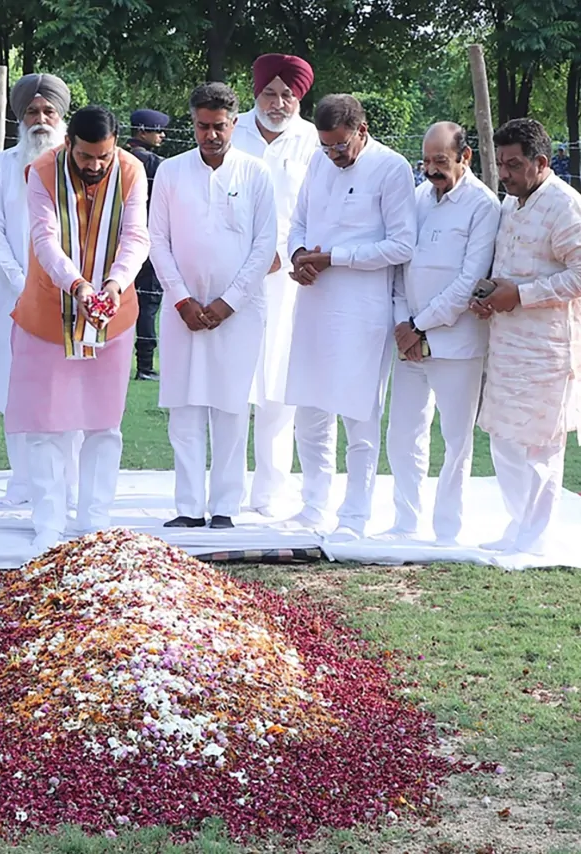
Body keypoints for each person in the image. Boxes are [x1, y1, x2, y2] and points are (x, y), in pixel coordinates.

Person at [5, 105, 149, 553]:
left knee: (104, 423)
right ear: (69, 144)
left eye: (102, 157)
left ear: (115, 146)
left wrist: (113, 285)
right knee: (45, 425)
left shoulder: (132, 171)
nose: (94, 166)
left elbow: (136, 237)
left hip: (112, 312)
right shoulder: (42, 172)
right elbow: (44, 239)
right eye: (86, 156)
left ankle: (95, 522)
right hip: (49, 311)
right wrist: (78, 287)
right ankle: (48, 523)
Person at [285, 94, 416, 543]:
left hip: (363, 309)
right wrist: (300, 254)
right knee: (309, 410)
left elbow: (402, 246)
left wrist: (334, 258)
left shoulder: (391, 167)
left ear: (361, 131)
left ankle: (355, 514)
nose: (333, 155)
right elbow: (298, 221)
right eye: (326, 147)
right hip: (315, 301)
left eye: (340, 146)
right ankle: (313, 505)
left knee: (359, 415)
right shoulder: (320, 162)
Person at [150, 83, 277, 530]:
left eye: (219, 126)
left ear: (234, 124)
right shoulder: (170, 172)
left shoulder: (256, 173)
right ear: (193, 124)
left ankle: (225, 506)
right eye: (203, 126)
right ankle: (188, 507)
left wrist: (228, 302)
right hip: (181, 309)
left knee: (230, 407)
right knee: (184, 409)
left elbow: (265, 246)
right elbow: (157, 241)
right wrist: (182, 299)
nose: (211, 135)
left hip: (239, 312)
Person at [470, 118, 581, 556]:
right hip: (506, 342)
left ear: (541, 161)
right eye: (500, 164)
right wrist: (488, 294)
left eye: (514, 164)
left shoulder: (565, 206)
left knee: (540, 445)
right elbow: (507, 269)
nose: (506, 174)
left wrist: (522, 295)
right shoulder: (511, 204)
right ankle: (518, 525)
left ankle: (535, 537)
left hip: (546, 346)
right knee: (503, 438)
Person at [386, 122, 500, 544]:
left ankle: (447, 528)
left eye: (441, 161)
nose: (432, 170)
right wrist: (404, 325)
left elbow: (470, 279)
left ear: (464, 157)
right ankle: (405, 521)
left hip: (457, 342)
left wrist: (419, 326)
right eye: (426, 161)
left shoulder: (483, 205)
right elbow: (400, 267)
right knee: (402, 433)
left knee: (456, 438)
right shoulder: (415, 199)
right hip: (410, 340)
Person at [0, 72, 79, 507]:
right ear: (20, 118)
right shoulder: (1, 166)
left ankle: (68, 481)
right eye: (32, 112)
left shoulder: (79, 165)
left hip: (68, 296)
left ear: (62, 117)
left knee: (70, 388)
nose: (40, 119)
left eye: (48, 111)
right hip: (13, 296)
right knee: (15, 387)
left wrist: (62, 284)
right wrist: (23, 283)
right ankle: (22, 480)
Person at [233, 53, 319, 517]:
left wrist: (290, 252)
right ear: (256, 93)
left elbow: (317, 207)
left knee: (279, 386)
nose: (279, 102)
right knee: (228, 382)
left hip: (289, 277)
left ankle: (269, 492)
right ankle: (223, 488)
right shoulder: (234, 131)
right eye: (270, 92)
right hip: (231, 274)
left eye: (288, 94)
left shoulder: (312, 141)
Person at [126, 107, 170, 380]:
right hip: (150, 241)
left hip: (117, 241)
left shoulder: (117, 159)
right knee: (149, 303)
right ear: (143, 131)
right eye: (157, 131)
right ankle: (144, 365)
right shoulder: (157, 164)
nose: (162, 135)